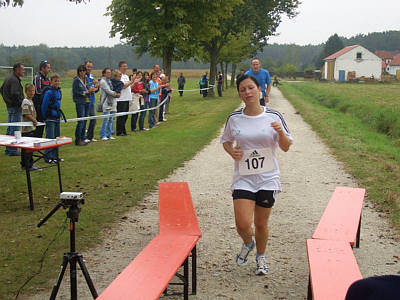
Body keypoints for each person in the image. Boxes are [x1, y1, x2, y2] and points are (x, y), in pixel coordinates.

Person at [220, 74, 292, 275]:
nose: (247, 92)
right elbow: (226, 140)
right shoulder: (234, 118)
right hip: (244, 177)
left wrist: (281, 133)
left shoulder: (274, 116)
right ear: (239, 94)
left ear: (259, 89)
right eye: (242, 89)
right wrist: (231, 151)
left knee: (261, 223)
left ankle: (261, 256)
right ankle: (247, 242)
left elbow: (286, 147)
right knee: (243, 224)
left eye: (251, 88)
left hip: (268, 178)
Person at [0, 62, 24, 156]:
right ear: (17, 70)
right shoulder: (14, 80)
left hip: (10, 106)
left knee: (10, 127)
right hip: (15, 107)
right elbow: (15, 94)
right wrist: (19, 103)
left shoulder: (9, 78)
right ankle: (12, 150)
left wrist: (7, 101)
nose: (23, 71)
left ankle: (9, 149)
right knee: (15, 128)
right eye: (22, 69)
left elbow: (1, 89)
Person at [72, 65, 96, 146]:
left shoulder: (86, 79)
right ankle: (78, 139)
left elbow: (89, 87)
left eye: (83, 70)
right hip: (80, 102)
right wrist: (85, 92)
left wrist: (93, 89)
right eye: (80, 71)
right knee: (81, 121)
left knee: (85, 120)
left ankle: (83, 137)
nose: (82, 72)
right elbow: (75, 92)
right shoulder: (76, 80)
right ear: (78, 72)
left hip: (87, 101)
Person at [41, 74, 62, 163]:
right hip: (50, 117)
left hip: (57, 116)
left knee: (57, 138)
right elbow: (44, 105)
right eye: (55, 81)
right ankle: (48, 157)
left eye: (58, 81)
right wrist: (45, 116)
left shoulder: (59, 91)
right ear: (51, 82)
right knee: (50, 138)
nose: (57, 82)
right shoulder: (49, 92)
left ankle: (55, 156)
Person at [20, 84, 41, 171]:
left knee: (30, 148)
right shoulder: (25, 101)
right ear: (26, 92)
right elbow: (27, 114)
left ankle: (28, 164)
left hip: (31, 128)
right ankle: (27, 165)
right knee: (27, 148)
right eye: (30, 91)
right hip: (27, 129)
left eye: (33, 91)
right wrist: (34, 120)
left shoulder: (31, 101)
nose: (32, 93)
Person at [99, 68, 120, 141]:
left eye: (110, 73)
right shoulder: (103, 81)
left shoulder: (110, 81)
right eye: (107, 73)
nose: (109, 74)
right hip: (106, 103)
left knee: (111, 119)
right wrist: (116, 94)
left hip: (113, 102)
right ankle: (103, 135)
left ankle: (109, 134)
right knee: (106, 119)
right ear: (104, 73)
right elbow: (108, 91)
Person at [116, 61, 136, 136]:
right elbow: (123, 86)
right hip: (121, 99)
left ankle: (123, 131)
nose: (125, 68)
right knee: (121, 116)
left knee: (125, 116)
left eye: (126, 66)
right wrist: (132, 81)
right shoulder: (119, 76)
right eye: (124, 66)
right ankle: (119, 131)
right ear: (120, 67)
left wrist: (134, 82)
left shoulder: (126, 76)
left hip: (127, 98)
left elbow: (128, 87)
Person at [32, 60, 51, 138]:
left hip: (45, 104)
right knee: (38, 123)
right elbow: (37, 91)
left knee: (43, 123)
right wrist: (47, 94)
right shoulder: (37, 77)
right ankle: (36, 140)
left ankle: (40, 140)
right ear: (42, 68)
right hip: (38, 105)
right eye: (48, 68)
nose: (49, 69)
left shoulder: (47, 79)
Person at [84, 60, 99, 143]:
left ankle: (90, 136)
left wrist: (98, 87)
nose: (89, 68)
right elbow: (86, 88)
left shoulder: (91, 76)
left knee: (93, 119)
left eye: (91, 67)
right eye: (88, 67)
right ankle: (83, 137)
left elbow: (94, 90)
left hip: (92, 100)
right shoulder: (83, 77)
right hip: (85, 101)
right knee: (85, 119)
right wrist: (91, 85)